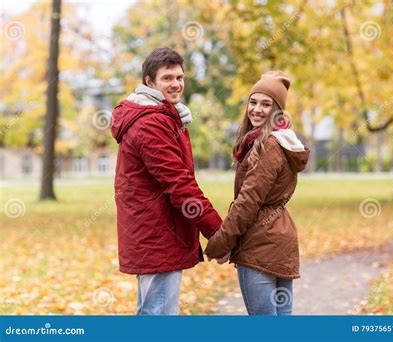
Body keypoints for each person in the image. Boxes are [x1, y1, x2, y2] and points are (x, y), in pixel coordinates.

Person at [110, 47, 222, 315]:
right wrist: (217, 231)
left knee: (154, 311)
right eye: (167, 78)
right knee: (159, 315)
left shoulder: (165, 116)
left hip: (156, 232)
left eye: (179, 77)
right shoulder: (150, 124)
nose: (176, 84)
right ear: (150, 82)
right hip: (157, 234)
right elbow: (179, 185)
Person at [205, 71, 309, 315]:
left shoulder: (268, 146)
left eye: (266, 104)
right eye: (253, 102)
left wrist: (220, 243)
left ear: (277, 111)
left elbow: (247, 202)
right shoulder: (281, 142)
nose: (257, 110)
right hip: (280, 238)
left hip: (259, 245)